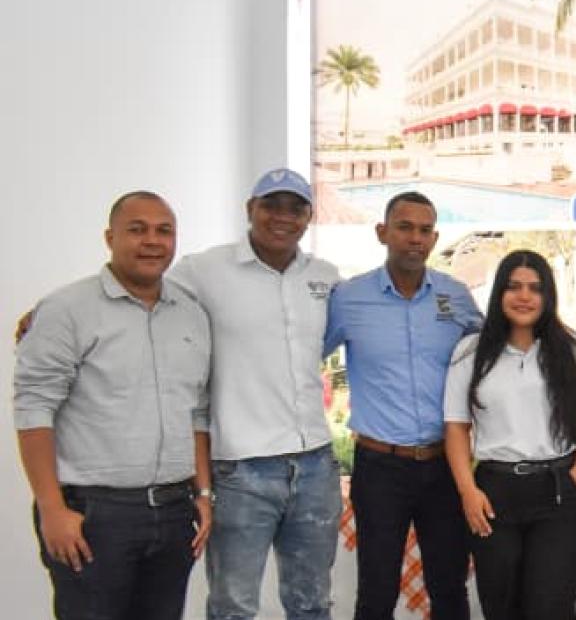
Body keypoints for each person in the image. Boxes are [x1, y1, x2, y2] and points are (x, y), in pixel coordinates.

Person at [14, 191, 214, 620]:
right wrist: (51, 508)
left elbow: (195, 411)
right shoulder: (67, 310)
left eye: (164, 231)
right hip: (93, 517)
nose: (152, 241)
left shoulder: (191, 314)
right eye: (137, 229)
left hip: (174, 511)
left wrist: (202, 493)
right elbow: (34, 410)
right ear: (110, 237)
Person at [172, 168, 342, 620]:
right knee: (233, 607)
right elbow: (142, 288)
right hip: (241, 471)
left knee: (312, 603)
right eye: (271, 206)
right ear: (251, 210)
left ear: (309, 216)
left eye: (296, 208)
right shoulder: (205, 270)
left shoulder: (325, 276)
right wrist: (51, 312)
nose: (282, 217)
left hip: (315, 467)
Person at [324, 191, 484, 620]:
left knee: (449, 588)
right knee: (376, 592)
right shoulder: (348, 299)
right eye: (405, 227)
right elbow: (303, 360)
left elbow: (493, 356)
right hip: (380, 468)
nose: (415, 238)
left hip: (444, 466)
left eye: (425, 230)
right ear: (383, 233)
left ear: (434, 238)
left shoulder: (457, 297)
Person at [442, 250, 576, 620]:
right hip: (494, 495)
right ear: (499, 294)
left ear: (548, 296)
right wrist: (468, 490)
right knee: (502, 608)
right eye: (514, 287)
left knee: (551, 608)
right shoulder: (470, 353)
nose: (524, 296)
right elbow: (456, 427)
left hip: (559, 492)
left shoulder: (571, 348)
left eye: (535, 288)